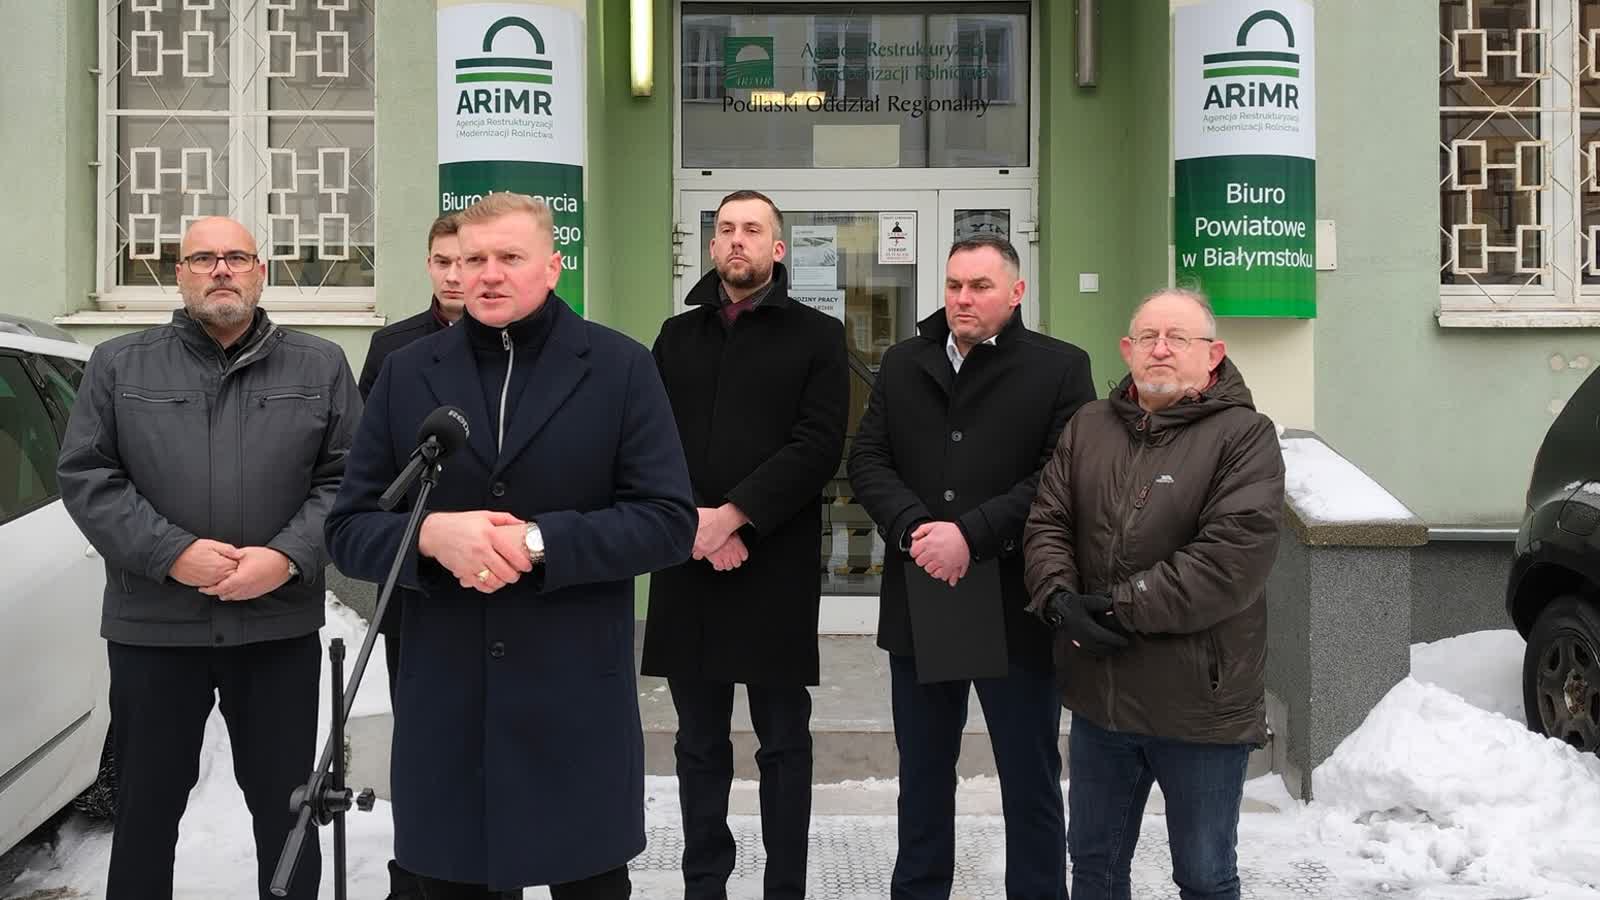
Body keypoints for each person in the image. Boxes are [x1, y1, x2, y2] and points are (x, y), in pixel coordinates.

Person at [324, 192, 696, 900]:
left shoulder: (619, 367)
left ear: (552, 267)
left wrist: (537, 541)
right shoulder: (407, 371)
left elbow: (667, 521)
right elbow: (348, 530)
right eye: (472, 260)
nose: (487, 274)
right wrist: (431, 536)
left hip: (574, 703)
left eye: (508, 257)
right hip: (449, 710)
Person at [56, 216, 360, 900]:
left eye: (236, 257)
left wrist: (286, 558)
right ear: (179, 274)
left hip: (276, 629)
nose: (220, 270)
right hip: (155, 631)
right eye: (202, 258)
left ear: (261, 271)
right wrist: (173, 553)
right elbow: (88, 476)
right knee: (145, 810)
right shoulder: (119, 364)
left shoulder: (320, 365)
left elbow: (347, 481)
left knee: (288, 812)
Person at [847, 234, 1096, 900]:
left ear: (1016, 292)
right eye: (955, 285)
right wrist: (915, 530)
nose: (963, 298)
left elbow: (1059, 476)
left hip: (1016, 601)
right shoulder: (904, 362)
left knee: (1029, 776)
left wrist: (971, 535)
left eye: (981, 286)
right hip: (923, 594)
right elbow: (868, 459)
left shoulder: (1060, 367)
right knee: (923, 776)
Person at [1022, 288, 1285, 900]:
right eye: (1147, 337)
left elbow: (1229, 559)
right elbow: (1048, 521)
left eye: (1178, 338)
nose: (1160, 349)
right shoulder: (1089, 425)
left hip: (1198, 705)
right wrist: (1058, 598)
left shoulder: (1245, 436)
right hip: (1102, 697)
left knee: (1203, 875)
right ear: (1127, 350)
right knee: (1094, 865)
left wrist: (1117, 606)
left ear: (1213, 354)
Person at [642, 189, 848, 900]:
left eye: (752, 229)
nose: (737, 239)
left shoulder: (818, 337)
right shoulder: (676, 336)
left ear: (777, 248)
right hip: (688, 563)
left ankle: (784, 887)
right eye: (726, 228)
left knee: (783, 742)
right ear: (711, 247)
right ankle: (705, 884)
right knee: (698, 743)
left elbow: (818, 445)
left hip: (772, 568)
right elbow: (650, 440)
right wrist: (697, 527)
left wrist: (733, 518)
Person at [353, 213, 465, 900]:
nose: (455, 276)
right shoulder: (394, 349)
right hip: (415, 574)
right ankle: (413, 872)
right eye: (442, 262)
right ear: (428, 265)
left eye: (465, 261)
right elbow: (368, 464)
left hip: (498, 567)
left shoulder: (519, 341)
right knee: (421, 736)